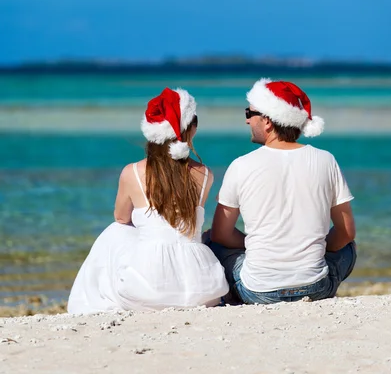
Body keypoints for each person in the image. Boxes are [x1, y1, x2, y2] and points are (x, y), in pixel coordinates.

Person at [68, 87, 228, 314]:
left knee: (115, 231)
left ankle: (85, 302)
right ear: (192, 129)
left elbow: (121, 217)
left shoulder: (132, 172)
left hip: (148, 291)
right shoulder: (205, 174)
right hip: (202, 289)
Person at [206, 78, 356, 304]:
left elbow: (221, 234)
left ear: (267, 121)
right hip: (316, 287)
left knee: (211, 240)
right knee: (349, 247)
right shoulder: (326, 160)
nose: (247, 121)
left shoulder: (241, 165)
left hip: (258, 291)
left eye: (250, 113)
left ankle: (231, 294)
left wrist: (260, 244)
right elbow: (345, 232)